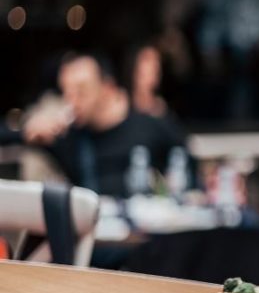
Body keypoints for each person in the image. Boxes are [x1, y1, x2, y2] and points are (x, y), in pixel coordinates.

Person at [0, 51, 188, 197]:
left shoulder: (148, 125)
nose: (72, 101)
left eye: (81, 91)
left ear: (108, 88)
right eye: (67, 91)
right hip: (96, 240)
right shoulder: (70, 138)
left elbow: (185, 162)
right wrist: (28, 130)